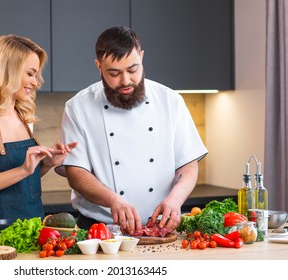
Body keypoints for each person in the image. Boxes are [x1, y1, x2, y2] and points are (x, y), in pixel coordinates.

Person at [55, 26, 207, 235]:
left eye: (133, 69)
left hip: (160, 228)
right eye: (114, 73)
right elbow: (76, 173)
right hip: (100, 231)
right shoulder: (78, 107)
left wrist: (175, 200)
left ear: (142, 57)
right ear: (98, 67)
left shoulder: (170, 100)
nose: (125, 81)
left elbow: (188, 165)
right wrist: (114, 201)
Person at [0, 34, 77, 238]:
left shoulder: (23, 114)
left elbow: (20, 184)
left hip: (32, 230)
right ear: (9, 71)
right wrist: (23, 170)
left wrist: (46, 164)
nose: (37, 82)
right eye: (30, 74)